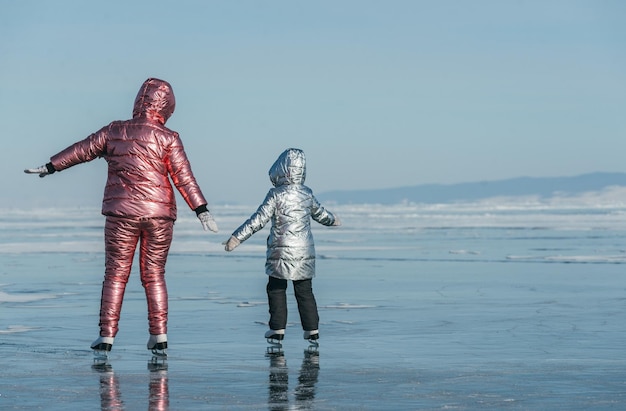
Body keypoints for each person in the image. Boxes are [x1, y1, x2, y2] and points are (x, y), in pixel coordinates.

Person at [24, 78, 218, 358]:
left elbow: (82, 149)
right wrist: (201, 210)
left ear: (139, 101)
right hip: (159, 215)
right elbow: (183, 177)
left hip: (121, 214)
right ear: (167, 107)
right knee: (154, 275)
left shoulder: (115, 130)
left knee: (115, 274)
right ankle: (159, 336)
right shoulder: (168, 138)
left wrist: (51, 166)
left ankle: (106, 337)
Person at [223, 148, 340, 347]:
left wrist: (236, 238)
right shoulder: (307, 194)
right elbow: (321, 214)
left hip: (280, 250)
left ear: (281, 168)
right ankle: (312, 330)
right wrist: (333, 220)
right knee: (304, 290)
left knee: (277, 288)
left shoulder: (276, 195)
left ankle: (277, 329)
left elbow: (258, 220)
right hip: (304, 251)